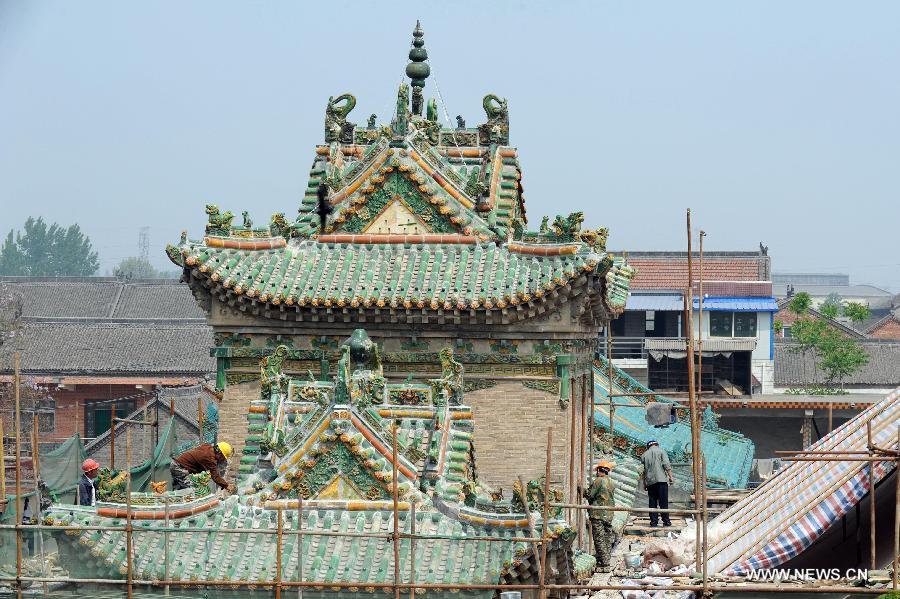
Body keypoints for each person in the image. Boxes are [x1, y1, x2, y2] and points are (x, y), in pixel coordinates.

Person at [583, 460, 617, 572]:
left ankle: (605, 563)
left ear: (599, 470)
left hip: (598, 514)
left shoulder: (598, 481)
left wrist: (580, 488)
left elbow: (589, 494)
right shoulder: (611, 482)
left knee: (599, 538)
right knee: (607, 537)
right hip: (609, 514)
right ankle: (604, 559)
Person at [170, 442, 236, 493]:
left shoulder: (208, 447)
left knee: (180, 489)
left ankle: (173, 503)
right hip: (179, 468)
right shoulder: (209, 458)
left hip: (178, 465)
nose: (222, 460)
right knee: (194, 490)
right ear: (219, 453)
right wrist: (226, 486)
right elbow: (215, 476)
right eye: (223, 458)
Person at [641, 439, 674, 527]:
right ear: (657, 444)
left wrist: (644, 483)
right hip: (661, 481)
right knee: (663, 502)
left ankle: (653, 522)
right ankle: (666, 521)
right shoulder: (661, 451)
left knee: (652, 503)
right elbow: (666, 465)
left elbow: (643, 471)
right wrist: (671, 477)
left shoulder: (644, 455)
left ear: (648, 446)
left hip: (650, 482)